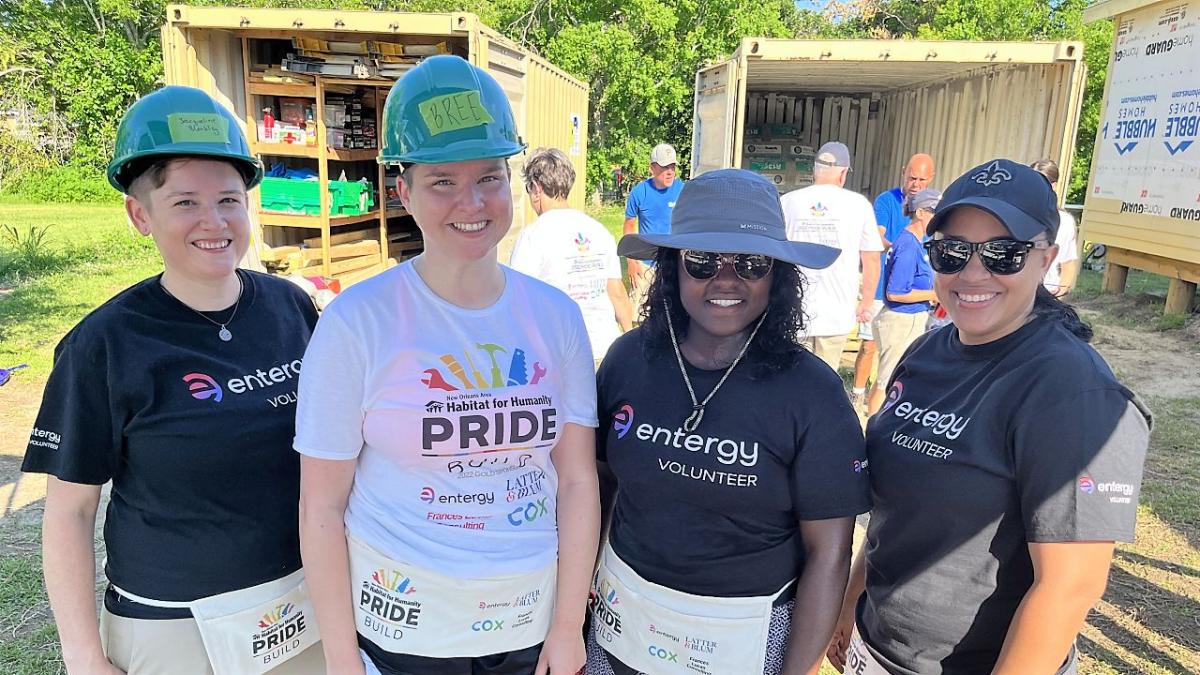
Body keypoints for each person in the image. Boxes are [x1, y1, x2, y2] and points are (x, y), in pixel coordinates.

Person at [294, 55, 599, 675]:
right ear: (402, 190)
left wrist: (567, 630)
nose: (473, 201)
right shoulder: (357, 323)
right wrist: (342, 658)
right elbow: (321, 506)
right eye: (442, 182)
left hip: (525, 623)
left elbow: (575, 481)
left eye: (489, 177)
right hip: (405, 625)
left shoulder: (555, 317)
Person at [23, 85, 323, 674]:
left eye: (229, 200)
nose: (215, 222)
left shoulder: (292, 309)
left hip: (301, 600)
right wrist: (83, 654)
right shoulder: (105, 344)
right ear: (142, 214)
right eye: (185, 202)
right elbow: (69, 511)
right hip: (174, 623)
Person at [828, 159, 1151, 675]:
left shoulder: (1072, 392)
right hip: (879, 646)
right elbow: (896, 512)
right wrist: (850, 605)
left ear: (1045, 259)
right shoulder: (929, 351)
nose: (972, 273)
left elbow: (1070, 587)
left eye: (1004, 254)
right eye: (951, 251)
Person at [588, 169, 872, 675]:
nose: (725, 279)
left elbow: (828, 553)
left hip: (745, 639)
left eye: (750, 263)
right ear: (672, 267)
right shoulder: (627, 360)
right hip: (621, 627)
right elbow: (603, 483)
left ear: (777, 275)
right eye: (701, 261)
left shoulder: (812, 394)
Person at [509, 147, 633, 365]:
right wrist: (630, 338)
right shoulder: (598, 230)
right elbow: (617, 294)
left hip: (560, 355)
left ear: (536, 188)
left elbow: (519, 302)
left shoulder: (532, 236)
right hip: (605, 349)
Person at [780, 141, 883, 372]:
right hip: (836, 313)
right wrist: (866, 304)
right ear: (843, 173)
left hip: (794, 309)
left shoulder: (788, 202)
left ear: (814, 170)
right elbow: (871, 259)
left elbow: (775, 253)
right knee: (824, 379)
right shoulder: (859, 205)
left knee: (790, 377)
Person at [853, 154, 935, 411]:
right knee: (875, 357)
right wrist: (899, 250)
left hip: (907, 306)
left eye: (922, 179)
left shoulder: (919, 232)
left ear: (930, 178)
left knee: (890, 372)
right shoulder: (888, 203)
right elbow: (878, 240)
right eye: (912, 177)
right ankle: (859, 397)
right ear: (903, 173)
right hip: (888, 298)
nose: (916, 183)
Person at [866, 188, 940, 416]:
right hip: (901, 321)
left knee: (888, 379)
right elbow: (896, 292)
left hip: (904, 320)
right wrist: (933, 295)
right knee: (886, 382)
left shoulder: (914, 241)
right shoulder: (908, 244)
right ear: (920, 212)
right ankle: (870, 433)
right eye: (934, 213)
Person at [624, 143, 684, 316]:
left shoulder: (683, 190)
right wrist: (631, 262)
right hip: (645, 263)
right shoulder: (639, 192)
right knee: (638, 314)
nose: (670, 171)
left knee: (672, 315)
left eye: (672, 166)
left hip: (673, 262)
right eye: (665, 167)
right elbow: (629, 226)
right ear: (652, 168)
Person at [1030, 159, 1080, 297]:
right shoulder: (1014, 214)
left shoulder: (1065, 221)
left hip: (1047, 293)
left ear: (1054, 186)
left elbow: (1068, 262)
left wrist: (1060, 294)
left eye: (1041, 183)